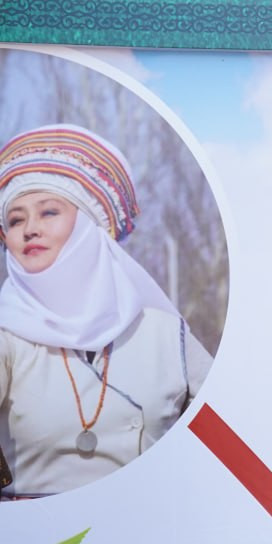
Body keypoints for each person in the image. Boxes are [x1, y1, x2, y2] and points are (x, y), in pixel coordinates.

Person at [0, 124, 211, 498]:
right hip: (38, 532)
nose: (30, 229)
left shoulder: (165, 333)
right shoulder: (6, 334)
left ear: (88, 226)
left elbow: (227, 428)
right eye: (15, 220)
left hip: (147, 522)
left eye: (49, 212)